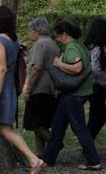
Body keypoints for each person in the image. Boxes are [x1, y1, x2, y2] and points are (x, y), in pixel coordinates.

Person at [0, 6, 44, 174]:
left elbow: (2, 70)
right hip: (9, 90)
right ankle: (34, 160)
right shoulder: (14, 40)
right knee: (4, 127)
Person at [41, 22, 101, 171]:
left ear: (64, 35)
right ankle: (48, 158)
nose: (56, 39)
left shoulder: (72, 47)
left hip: (74, 94)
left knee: (80, 128)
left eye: (56, 36)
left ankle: (94, 161)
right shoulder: (80, 45)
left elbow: (77, 68)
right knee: (58, 126)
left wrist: (58, 63)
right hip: (74, 93)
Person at [22, 17, 60, 157]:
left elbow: (36, 68)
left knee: (34, 122)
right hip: (51, 88)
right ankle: (40, 153)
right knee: (42, 123)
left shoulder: (39, 45)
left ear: (37, 31)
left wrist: (28, 89)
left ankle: (55, 143)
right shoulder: (53, 44)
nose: (30, 34)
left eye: (31, 31)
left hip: (39, 88)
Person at [84, 17, 106, 140]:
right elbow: (95, 68)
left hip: (95, 85)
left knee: (97, 115)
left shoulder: (89, 46)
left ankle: (88, 140)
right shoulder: (97, 48)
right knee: (99, 116)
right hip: (97, 85)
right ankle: (87, 141)